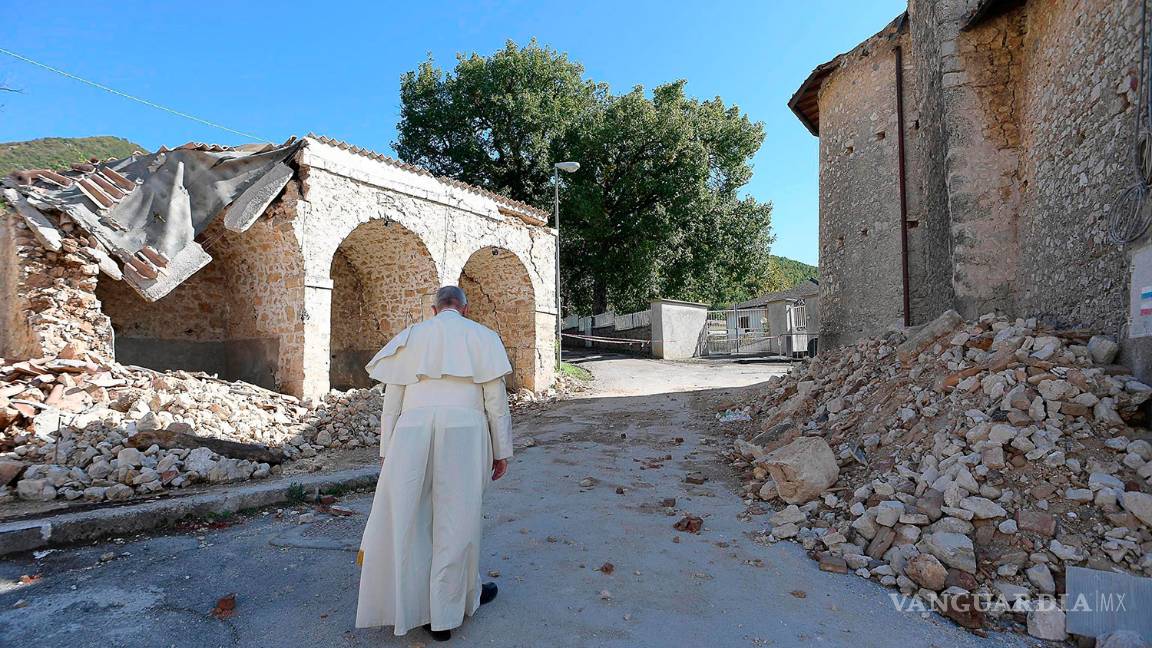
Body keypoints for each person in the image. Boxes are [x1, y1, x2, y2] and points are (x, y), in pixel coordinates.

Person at [355, 285, 513, 642]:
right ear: (465, 309)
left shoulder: (410, 338)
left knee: (413, 517)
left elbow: (392, 402)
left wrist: (386, 450)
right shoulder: (483, 337)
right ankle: (447, 611)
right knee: (458, 519)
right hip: (465, 430)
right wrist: (502, 450)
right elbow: (495, 402)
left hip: (411, 431)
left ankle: (416, 607)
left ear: (433, 309)